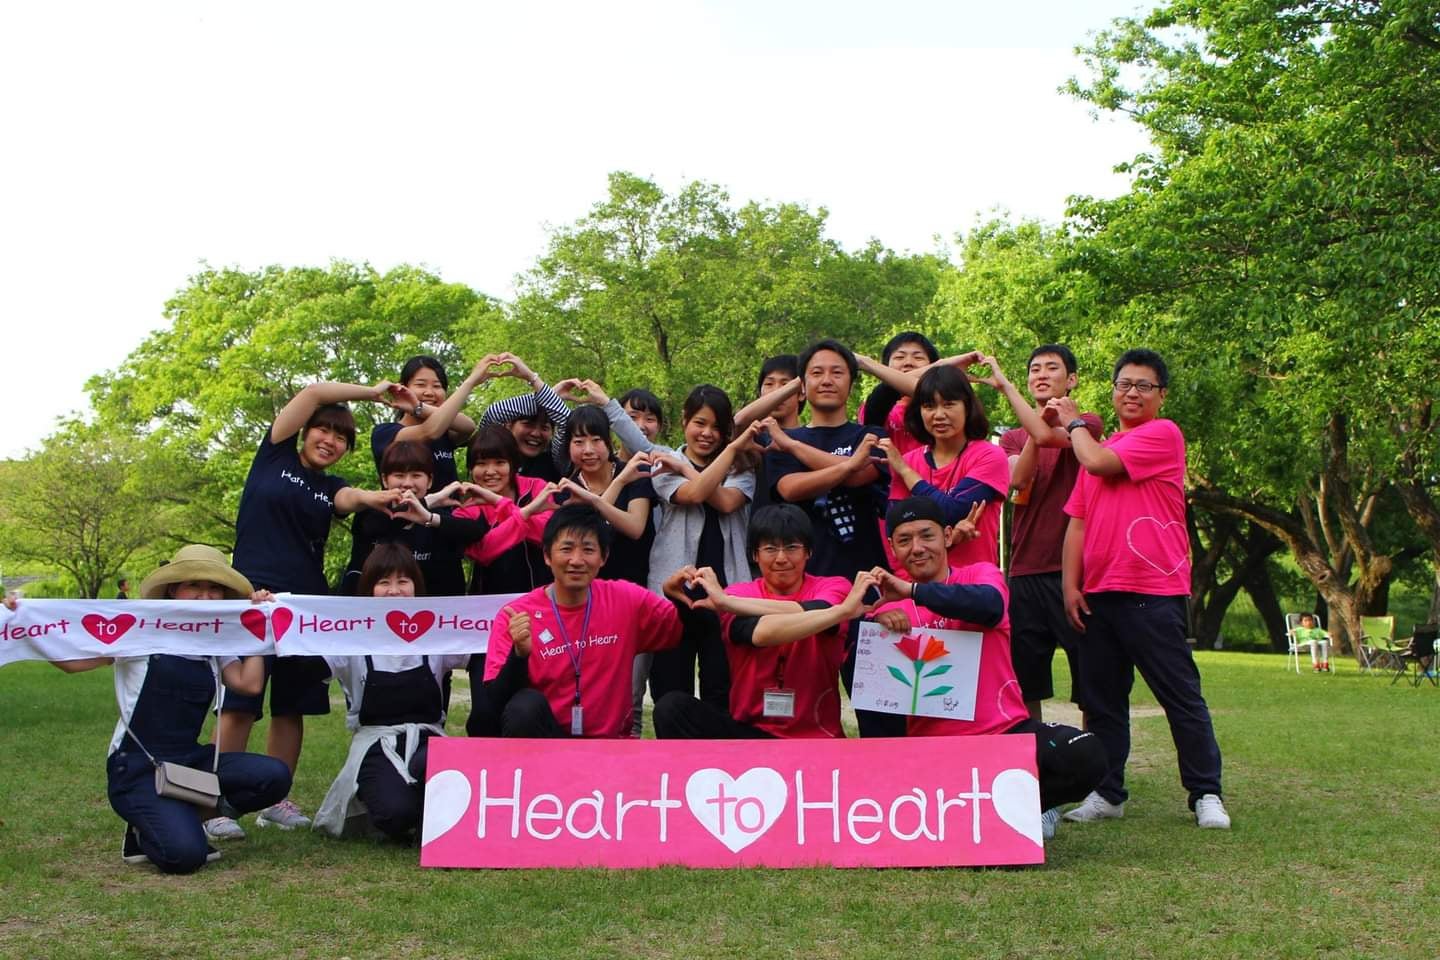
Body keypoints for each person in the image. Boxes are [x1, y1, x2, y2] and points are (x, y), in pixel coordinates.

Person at [2, 545, 291, 873]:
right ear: (173, 590)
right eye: (194, 586)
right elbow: (74, 664)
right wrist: (21, 620)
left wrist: (260, 623)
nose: (205, 596)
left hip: (189, 762)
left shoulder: (216, 641)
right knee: (185, 857)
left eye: (214, 588)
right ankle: (143, 830)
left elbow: (249, 684)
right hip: (137, 767)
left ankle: (184, 814)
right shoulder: (140, 628)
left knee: (273, 776)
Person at [212, 381, 399, 840]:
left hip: (303, 609)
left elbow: (348, 498)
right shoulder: (273, 455)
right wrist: (374, 393)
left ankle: (274, 801)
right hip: (252, 597)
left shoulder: (329, 487)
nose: (330, 441)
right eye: (324, 430)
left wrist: (376, 498)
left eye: (341, 438)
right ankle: (214, 802)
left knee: (290, 706)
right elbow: (315, 392)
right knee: (240, 704)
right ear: (304, 431)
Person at [1057, 348, 1230, 829]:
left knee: (1180, 697)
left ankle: (1205, 793)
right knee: (1103, 703)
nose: (1132, 392)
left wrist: (1074, 422)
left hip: (1152, 590)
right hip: (1098, 594)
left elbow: (1095, 461)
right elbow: (1077, 523)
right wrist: (1070, 586)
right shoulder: (1098, 447)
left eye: (1143, 386)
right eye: (1124, 384)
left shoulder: (1161, 434)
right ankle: (1107, 793)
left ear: (1161, 395)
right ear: (1113, 390)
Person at [866, 498, 1105, 842]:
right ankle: (983, 812)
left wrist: (914, 591)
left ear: (948, 536)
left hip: (1005, 734)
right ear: (892, 548)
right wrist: (877, 618)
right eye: (904, 540)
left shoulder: (981, 575)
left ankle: (1030, 807)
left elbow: (990, 606)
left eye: (927, 536)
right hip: (933, 749)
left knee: (1085, 753)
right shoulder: (888, 608)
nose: (917, 548)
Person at [764, 339, 895, 737]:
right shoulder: (779, 443)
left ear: (851, 383)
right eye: (817, 372)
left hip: (868, 589)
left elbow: (863, 475)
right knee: (801, 712)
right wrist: (847, 462)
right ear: (802, 386)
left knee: (880, 712)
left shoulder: (871, 433)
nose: (827, 380)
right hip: (803, 593)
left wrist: (794, 446)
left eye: (837, 372)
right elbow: (790, 489)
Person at [973, 346, 1102, 722]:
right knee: (1025, 683)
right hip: (1025, 569)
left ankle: (1096, 756)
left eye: (1051, 368)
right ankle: (1034, 754)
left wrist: (1006, 388)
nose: (1041, 375)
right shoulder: (1012, 438)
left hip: (1075, 571)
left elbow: (1049, 437)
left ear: (1071, 379)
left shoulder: (1086, 423)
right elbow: (1017, 478)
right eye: (1034, 370)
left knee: (1091, 681)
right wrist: (1034, 427)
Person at [483, 505, 691, 738]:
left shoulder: (627, 600)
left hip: (611, 746)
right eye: (566, 549)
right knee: (525, 707)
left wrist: (680, 598)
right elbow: (494, 704)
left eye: (588, 549)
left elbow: (683, 629)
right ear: (547, 556)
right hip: (547, 743)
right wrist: (519, 655)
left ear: (604, 557)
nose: (576, 560)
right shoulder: (516, 615)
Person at [653, 505, 858, 739]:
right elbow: (761, 634)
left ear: (808, 552)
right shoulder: (738, 593)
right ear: (754, 555)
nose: (781, 558)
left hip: (817, 737)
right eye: (770, 549)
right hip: (750, 736)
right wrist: (840, 612)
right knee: (672, 708)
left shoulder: (834, 587)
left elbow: (823, 610)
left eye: (792, 547)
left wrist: (727, 603)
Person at [313, 544, 469, 842]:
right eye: (384, 582)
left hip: (429, 742)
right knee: (396, 814)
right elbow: (308, 665)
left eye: (403, 581)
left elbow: (481, 646)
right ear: (369, 590)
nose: (394, 591)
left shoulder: (437, 631)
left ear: (416, 586)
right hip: (375, 743)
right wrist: (275, 612)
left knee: (436, 768)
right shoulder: (350, 637)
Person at [452, 426, 559, 736]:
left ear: (513, 463)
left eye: (499, 462)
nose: (489, 471)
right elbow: (484, 550)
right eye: (480, 463)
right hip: (486, 624)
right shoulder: (465, 505)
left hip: (544, 616)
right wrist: (525, 514)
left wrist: (501, 505)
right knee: (486, 712)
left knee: (537, 705)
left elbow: (548, 535)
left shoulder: (537, 487)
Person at [879, 365, 1009, 569]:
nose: (938, 415)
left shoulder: (990, 455)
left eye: (949, 404)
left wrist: (905, 472)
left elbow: (952, 510)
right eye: (929, 406)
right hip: (915, 582)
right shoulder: (908, 460)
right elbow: (896, 531)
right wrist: (951, 538)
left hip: (975, 581)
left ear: (968, 407)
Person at [341, 440, 493, 597]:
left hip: (439, 611)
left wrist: (429, 517)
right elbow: (384, 522)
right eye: (399, 475)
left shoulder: (439, 516)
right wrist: (430, 500)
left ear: (430, 480)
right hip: (374, 610)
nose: (408, 483)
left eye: (416, 475)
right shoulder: (369, 515)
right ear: (385, 480)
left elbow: (477, 532)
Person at [554, 404, 655, 587]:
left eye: (596, 440)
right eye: (578, 442)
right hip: (589, 590)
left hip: (636, 588)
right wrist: (618, 484)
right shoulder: (567, 490)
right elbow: (585, 534)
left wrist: (617, 482)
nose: (588, 450)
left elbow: (635, 528)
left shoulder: (634, 473)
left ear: (608, 441)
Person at [370, 354, 501, 492]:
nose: (429, 392)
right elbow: (429, 431)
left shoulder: (446, 431)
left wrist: (418, 407)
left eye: (437, 386)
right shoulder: (385, 433)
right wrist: (470, 382)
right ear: (402, 388)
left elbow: (468, 427)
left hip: (451, 507)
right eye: (420, 384)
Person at [477, 354, 572, 483]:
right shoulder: (492, 451)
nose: (536, 433)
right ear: (508, 425)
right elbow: (493, 413)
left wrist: (535, 381)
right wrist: (547, 394)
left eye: (544, 428)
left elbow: (568, 423)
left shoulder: (557, 460)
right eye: (528, 424)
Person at [857, 331, 940, 454]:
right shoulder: (874, 404)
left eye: (918, 358)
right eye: (899, 357)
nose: (908, 363)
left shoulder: (943, 406)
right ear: (885, 368)